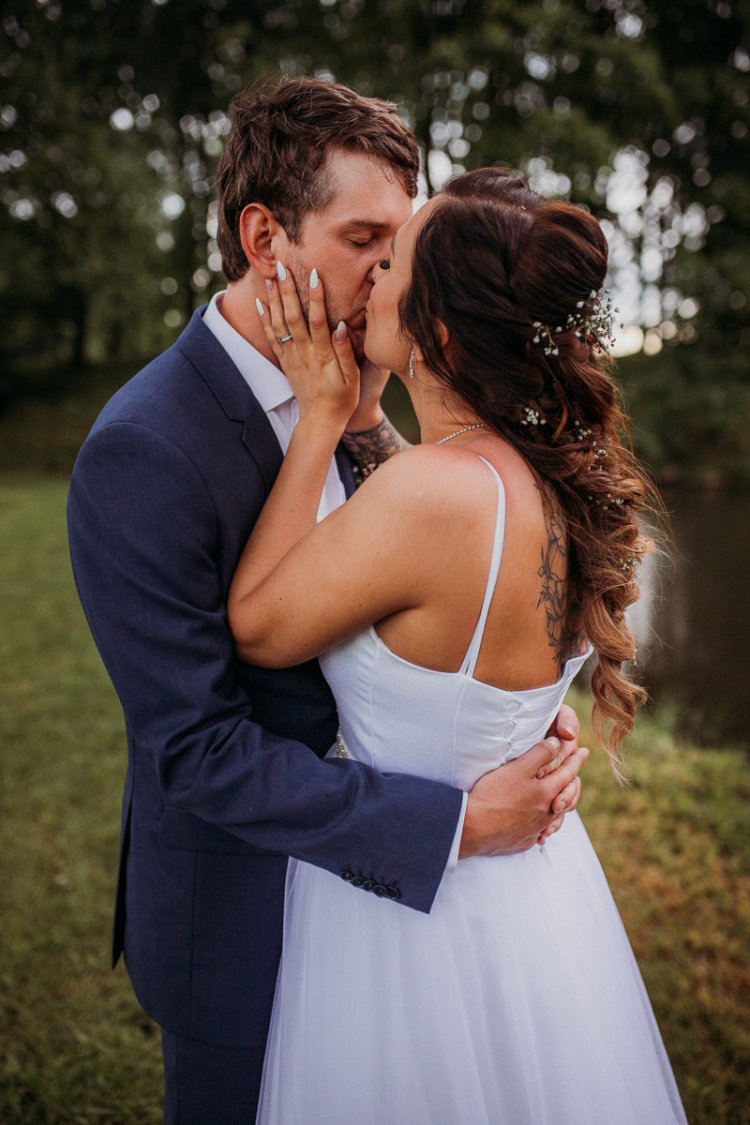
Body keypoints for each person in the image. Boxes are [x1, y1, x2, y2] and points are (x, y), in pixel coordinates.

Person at [66, 78, 587, 1123]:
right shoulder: (145, 450)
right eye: (366, 241)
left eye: (402, 244)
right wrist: (450, 820)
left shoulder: (361, 387)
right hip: (246, 927)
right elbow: (197, 750)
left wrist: (495, 696)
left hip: (394, 941)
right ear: (265, 237)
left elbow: (429, 568)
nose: (395, 276)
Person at [227, 168, 688, 1124]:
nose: (369, 276)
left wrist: (321, 416)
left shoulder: (433, 496)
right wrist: (367, 421)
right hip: (533, 901)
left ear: (434, 332)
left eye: (392, 260)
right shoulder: (540, 475)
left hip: (409, 924)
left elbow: (261, 627)